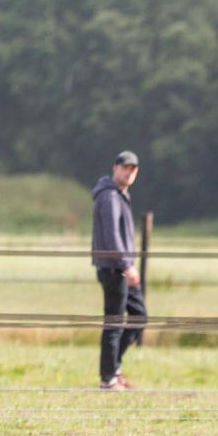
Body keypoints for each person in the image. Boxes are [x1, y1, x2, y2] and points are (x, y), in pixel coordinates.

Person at [91, 150, 147, 390]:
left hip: (122, 269)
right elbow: (113, 236)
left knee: (139, 316)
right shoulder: (110, 197)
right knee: (114, 323)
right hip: (115, 269)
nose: (129, 171)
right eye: (125, 167)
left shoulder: (122, 196)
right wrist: (127, 265)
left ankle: (113, 368)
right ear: (115, 168)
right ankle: (108, 378)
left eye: (133, 168)